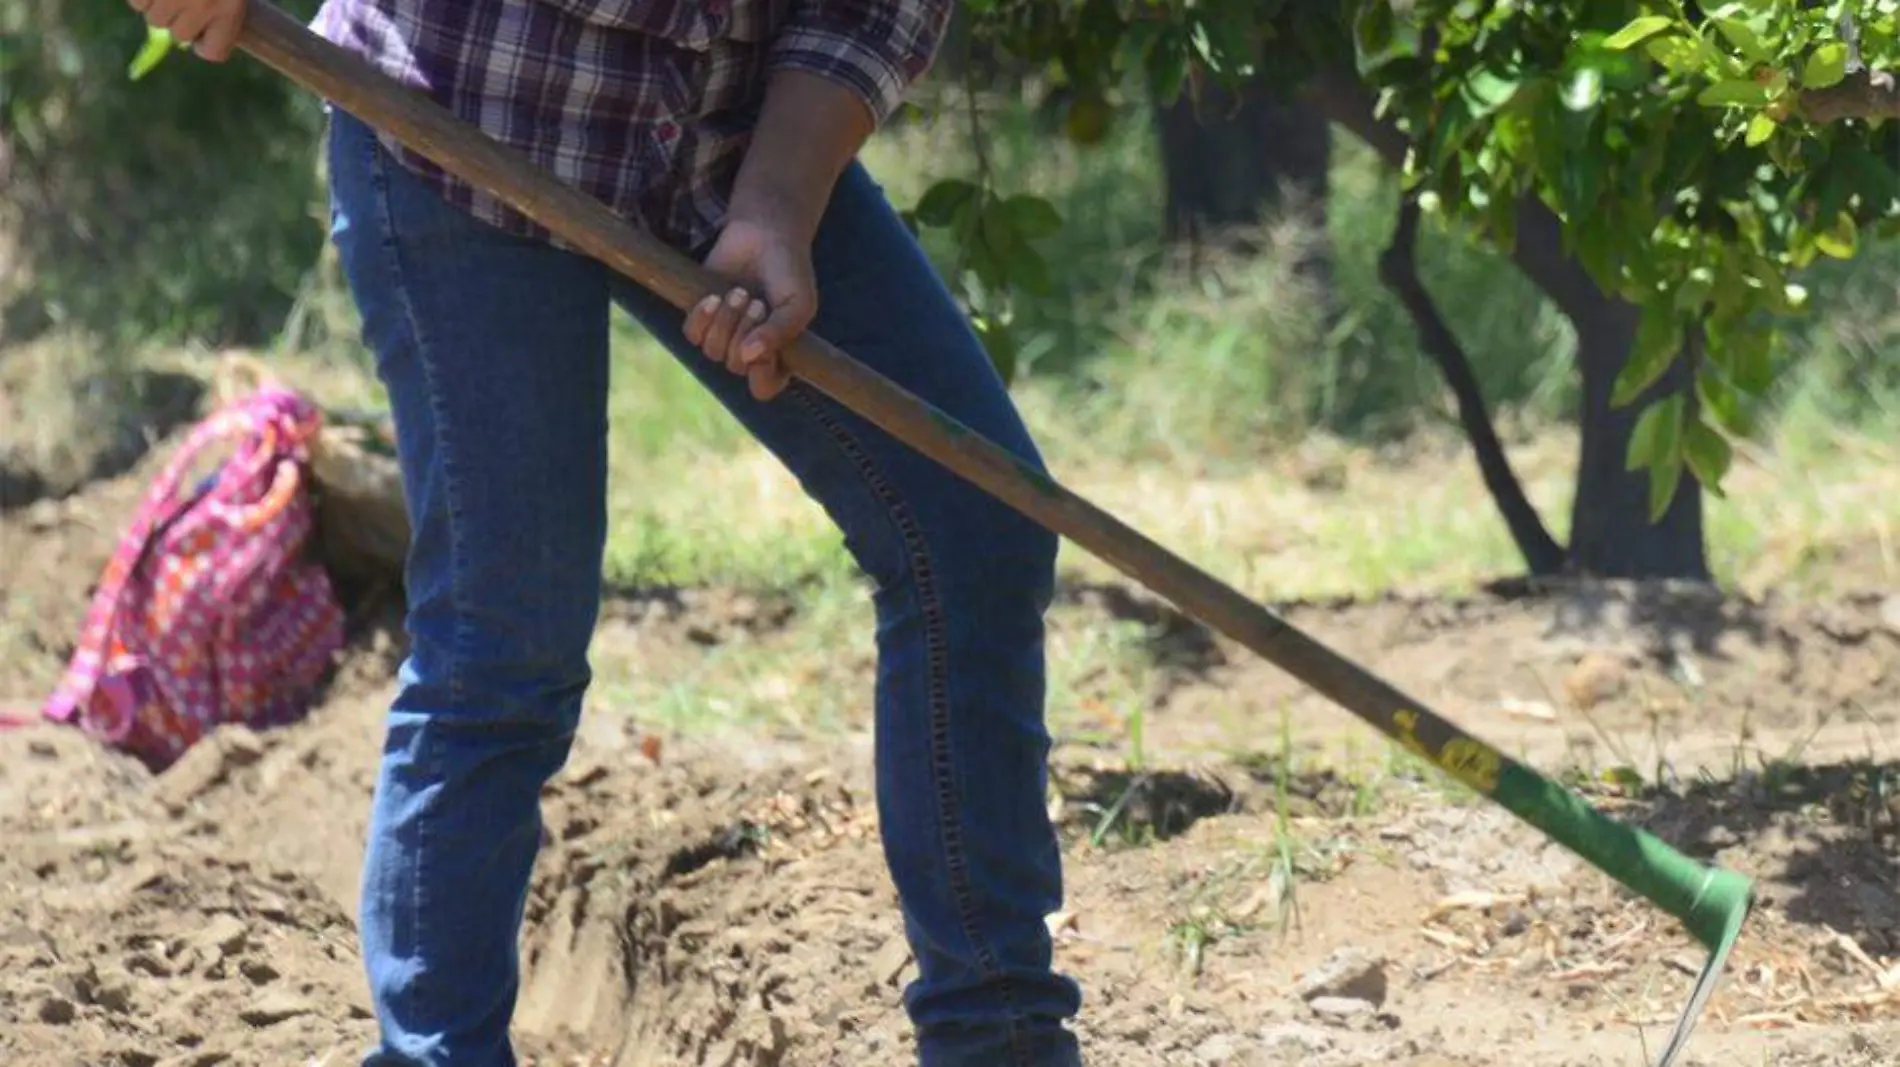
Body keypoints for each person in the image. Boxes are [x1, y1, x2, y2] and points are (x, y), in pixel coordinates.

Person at [120, 0, 1086, 1063]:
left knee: (971, 529)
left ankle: (997, 1039)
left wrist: (776, 203)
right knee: (506, 637)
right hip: (462, 107)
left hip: (728, 127)